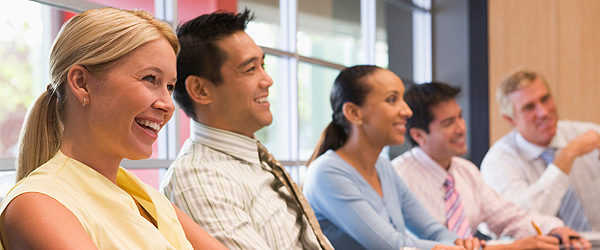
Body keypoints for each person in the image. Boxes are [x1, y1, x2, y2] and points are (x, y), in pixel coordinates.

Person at [0, 7, 227, 250]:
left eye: (170, 86)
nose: (168, 105)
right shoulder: (39, 204)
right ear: (81, 83)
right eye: (150, 79)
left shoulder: (145, 196)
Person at [159, 10, 333, 250]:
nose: (267, 80)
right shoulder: (199, 178)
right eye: (250, 69)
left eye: (262, 65)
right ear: (200, 90)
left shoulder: (252, 159)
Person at [393, 82, 591, 250]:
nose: (461, 128)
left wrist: (553, 229)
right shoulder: (399, 176)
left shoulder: (465, 171)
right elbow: (405, 245)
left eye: (460, 117)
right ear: (418, 135)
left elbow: (510, 217)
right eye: (448, 123)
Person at [302, 65, 481, 250]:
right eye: (392, 99)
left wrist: (462, 243)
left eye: (402, 99)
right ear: (354, 113)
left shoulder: (383, 167)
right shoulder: (326, 173)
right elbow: (391, 246)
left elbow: (433, 230)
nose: (407, 111)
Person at [481, 69, 600, 231]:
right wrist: (566, 157)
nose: (544, 112)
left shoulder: (587, 134)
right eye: (529, 107)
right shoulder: (498, 163)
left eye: (545, 99)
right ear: (510, 119)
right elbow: (525, 225)